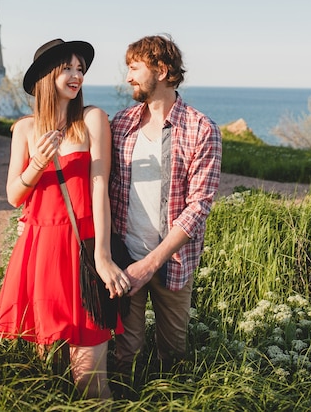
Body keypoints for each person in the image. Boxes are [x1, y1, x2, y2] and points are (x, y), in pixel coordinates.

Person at [0, 38, 131, 400]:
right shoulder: (24, 129)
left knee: (88, 377)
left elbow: (99, 187)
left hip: (84, 248)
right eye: (68, 67)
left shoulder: (91, 119)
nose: (76, 75)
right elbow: (13, 196)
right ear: (46, 75)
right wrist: (37, 164)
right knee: (47, 370)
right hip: (41, 252)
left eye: (80, 69)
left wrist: (103, 256)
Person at [109, 34, 222, 385]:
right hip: (124, 258)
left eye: (134, 68)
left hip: (172, 262)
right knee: (125, 350)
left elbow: (198, 206)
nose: (128, 77)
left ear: (161, 70)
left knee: (173, 352)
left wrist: (151, 263)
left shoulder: (203, 129)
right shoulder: (120, 125)